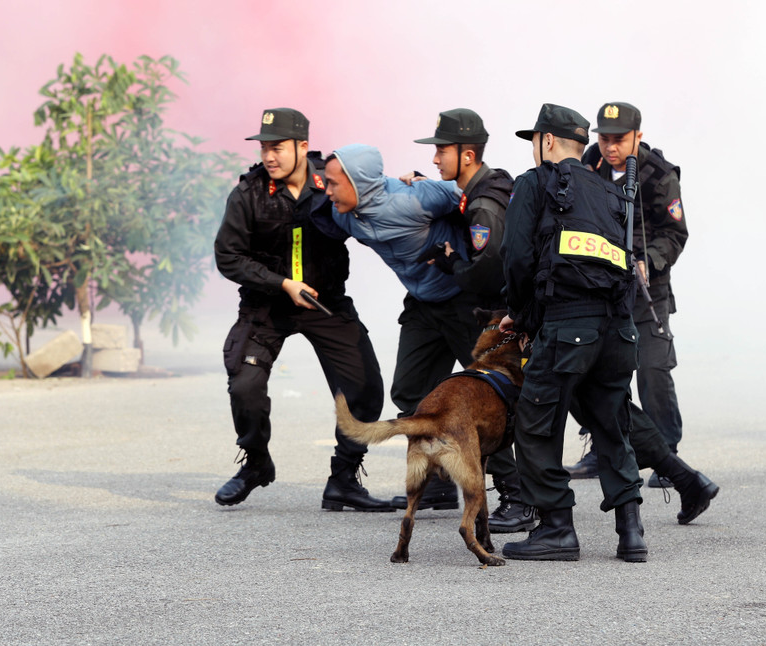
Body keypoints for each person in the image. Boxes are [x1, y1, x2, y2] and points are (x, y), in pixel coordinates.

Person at [213, 108, 393, 512]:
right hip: (266, 305)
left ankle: (344, 479)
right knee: (245, 386)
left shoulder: (327, 182)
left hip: (324, 302)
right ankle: (256, 462)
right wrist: (281, 283)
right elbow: (228, 256)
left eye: (277, 147)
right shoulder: (249, 193)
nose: (269, 156)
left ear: (303, 146)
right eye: (264, 148)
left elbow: (375, 201)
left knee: (365, 388)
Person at [499, 103, 647, 562]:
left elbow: (518, 258)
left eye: (533, 142)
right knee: (610, 422)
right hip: (618, 330)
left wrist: (521, 318)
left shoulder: (535, 182)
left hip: (567, 328)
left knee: (536, 424)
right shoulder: (608, 191)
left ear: (545, 141)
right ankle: (631, 532)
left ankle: (557, 528)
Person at [324, 143, 480, 511]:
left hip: (464, 300)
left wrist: (477, 263)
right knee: (411, 393)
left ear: (358, 181)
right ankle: (441, 487)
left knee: (491, 395)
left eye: (333, 183)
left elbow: (477, 195)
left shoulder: (414, 199)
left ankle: (516, 495)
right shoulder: (344, 214)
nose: (328, 191)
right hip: (423, 304)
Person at [409, 108, 534, 532]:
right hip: (478, 311)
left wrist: (450, 264)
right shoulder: (475, 191)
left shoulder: (483, 203)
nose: (435, 158)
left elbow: (489, 266)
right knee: (415, 389)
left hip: (489, 315)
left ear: (467, 155)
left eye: (441, 150)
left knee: (488, 406)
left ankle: (516, 499)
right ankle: (444, 478)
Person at [566, 102, 689, 489]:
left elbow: (675, 233)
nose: (610, 147)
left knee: (652, 369)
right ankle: (602, 447)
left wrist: (648, 262)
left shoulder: (658, 175)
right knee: (599, 371)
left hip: (646, 288)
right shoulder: (590, 164)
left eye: (618, 140)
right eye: (604, 138)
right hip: (602, 285)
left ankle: (666, 456)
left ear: (637, 135)